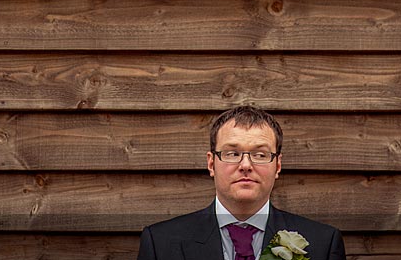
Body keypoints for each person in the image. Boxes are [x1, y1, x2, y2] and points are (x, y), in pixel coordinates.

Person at [137, 105, 346, 260]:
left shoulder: (322, 245)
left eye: (261, 155)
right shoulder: (160, 244)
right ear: (211, 163)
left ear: (278, 166)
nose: (245, 165)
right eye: (232, 153)